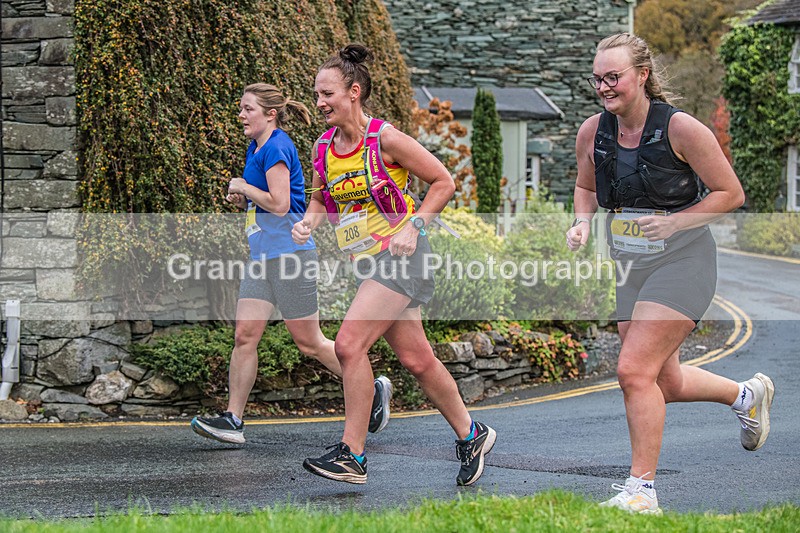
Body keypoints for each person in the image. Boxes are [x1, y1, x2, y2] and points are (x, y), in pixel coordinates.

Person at [566, 33, 774, 514]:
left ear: (641, 75)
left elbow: (731, 193)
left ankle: (642, 492)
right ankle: (745, 396)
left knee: (633, 370)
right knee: (665, 381)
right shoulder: (592, 132)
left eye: (613, 76)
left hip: (684, 261)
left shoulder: (681, 129)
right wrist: (582, 223)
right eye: (597, 79)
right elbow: (585, 187)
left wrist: (675, 222)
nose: (604, 87)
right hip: (629, 265)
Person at [292, 44, 496, 486]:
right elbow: (321, 198)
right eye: (317, 94)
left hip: (402, 256)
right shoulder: (322, 147)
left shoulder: (384, 139)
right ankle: (472, 433)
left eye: (327, 93)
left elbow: (444, 181)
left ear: (354, 92)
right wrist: (308, 222)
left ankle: (353, 454)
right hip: (368, 262)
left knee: (348, 345)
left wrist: (414, 227)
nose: (320, 102)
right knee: (417, 359)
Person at [191, 83, 392, 444]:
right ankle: (233, 419)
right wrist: (245, 200)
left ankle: (373, 387)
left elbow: (281, 204)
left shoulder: (277, 146)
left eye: (248, 109)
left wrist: (244, 187)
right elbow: (266, 200)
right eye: (241, 108)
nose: (241, 115)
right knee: (244, 336)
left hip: (290, 257)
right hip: (261, 256)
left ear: (270, 114)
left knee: (309, 342)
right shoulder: (257, 147)